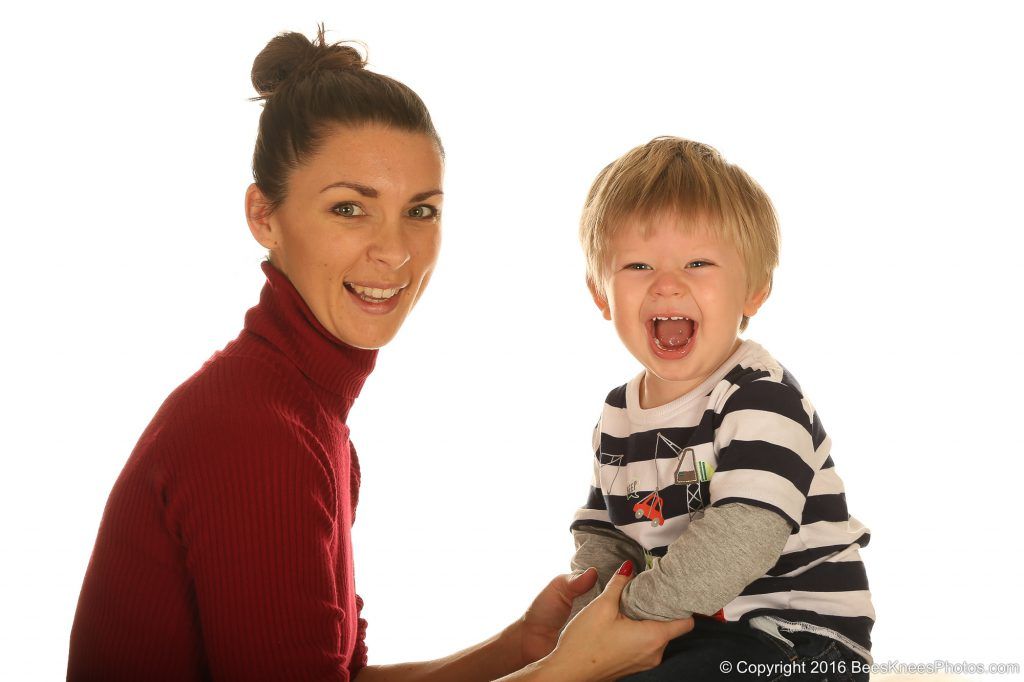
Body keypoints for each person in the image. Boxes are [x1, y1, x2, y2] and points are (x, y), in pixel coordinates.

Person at [66, 28, 692, 682]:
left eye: (420, 211)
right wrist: (575, 672)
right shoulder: (254, 431)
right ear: (263, 215)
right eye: (349, 208)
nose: (395, 252)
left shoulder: (301, 414)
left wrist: (523, 648)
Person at [567, 137, 874, 680]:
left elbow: (746, 535)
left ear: (753, 291)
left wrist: (628, 615)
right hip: (694, 625)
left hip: (794, 636)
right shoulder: (618, 415)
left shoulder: (760, 395)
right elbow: (606, 536)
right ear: (600, 292)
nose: (667, 283)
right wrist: (585, 624)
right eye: (638, 265)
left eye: (698, 262)